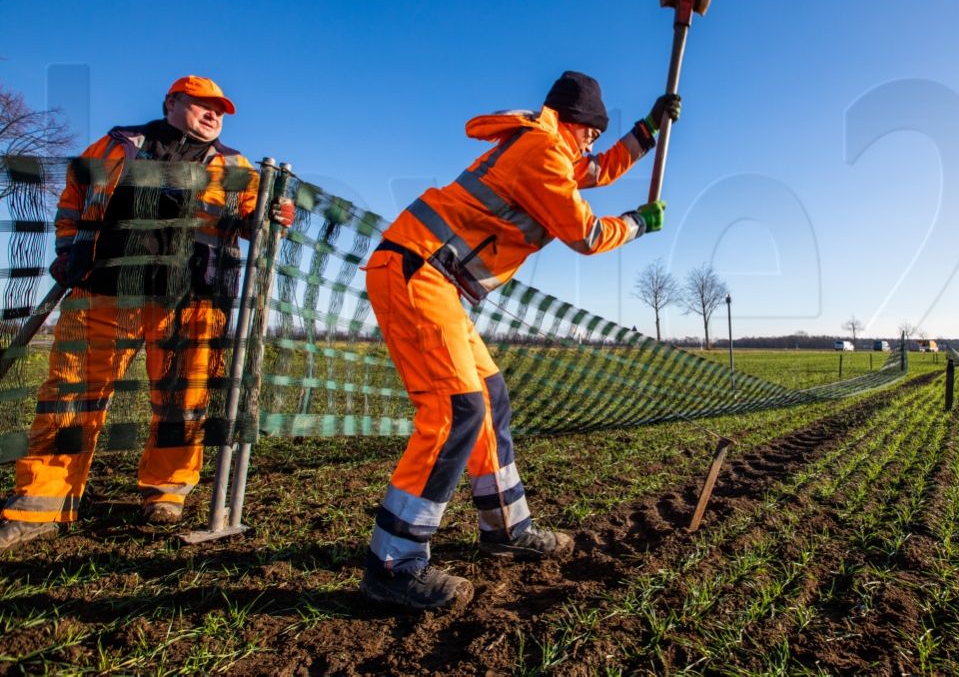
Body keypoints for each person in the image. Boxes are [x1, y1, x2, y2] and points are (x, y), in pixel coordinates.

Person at [359, 70, 679, 611]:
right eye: (592, 132)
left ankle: (505, 529)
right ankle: (393, 564)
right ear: (574, 124)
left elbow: (594, 171)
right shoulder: (541, 151)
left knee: (489, 398)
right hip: (418, 271)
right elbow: (586, 233)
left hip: (438, 280)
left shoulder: (550, 148)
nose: (593, 143)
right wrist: (636, 224)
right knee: (455, 410)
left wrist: (647, 131)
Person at [0, 75, 295, 552]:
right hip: (104, 291)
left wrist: (275, 216)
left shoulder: (237, 166)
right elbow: (73, 198)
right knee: (70, 398)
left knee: (184, 401)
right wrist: (67, 249)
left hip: (193, 299)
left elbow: (255, 222)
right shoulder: (120, 145)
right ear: (172, 102)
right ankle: (41, 501)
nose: (213, 114)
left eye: (219, 109)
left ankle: (167, 492)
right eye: (202, 104)